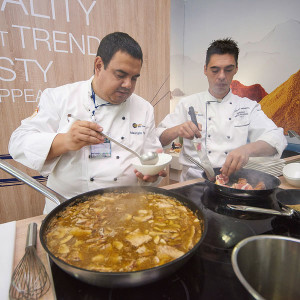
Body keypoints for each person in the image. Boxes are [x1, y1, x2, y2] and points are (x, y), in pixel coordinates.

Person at [9, 32, 166, 213]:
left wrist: (152, 176)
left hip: (126, 212)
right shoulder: (59, 97)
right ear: (99, 65)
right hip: (69, 211)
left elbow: (150, 158)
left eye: (134, 78)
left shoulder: (144, 108)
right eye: (120, 75)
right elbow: (18, 142)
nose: (128, 85)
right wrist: (65, 141)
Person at [156, 38, 287, 181]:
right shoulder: (188, 104)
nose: (222, 76)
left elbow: (276, 137)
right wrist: (177, 130)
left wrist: (247, 149)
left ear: (236, 69)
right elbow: (158, 138)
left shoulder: (247, 106)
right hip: (192, 183)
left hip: (231, 183)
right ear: (205, 69)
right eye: (215, 70)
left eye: (228, 70)